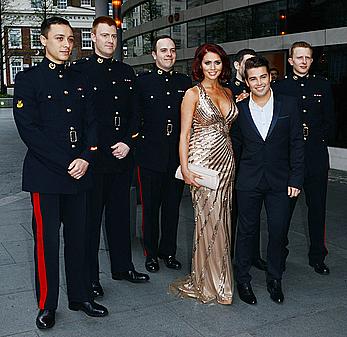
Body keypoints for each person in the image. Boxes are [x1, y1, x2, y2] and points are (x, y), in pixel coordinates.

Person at [12, 17, 108, 330]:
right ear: (43, 40)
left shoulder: (80, 78)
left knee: (79, 239)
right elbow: (29, 129)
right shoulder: (29, 80)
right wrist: (66, 162)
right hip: (47, 176)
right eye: (59, 39)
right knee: (47, 242)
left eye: (70, 39)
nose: (66, 45)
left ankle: (80, 297)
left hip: (80, 174)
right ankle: (47, 305)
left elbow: (93, 123)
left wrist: (86, 158)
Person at [72, 16, 149, 298]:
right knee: (90, 223)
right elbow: (81, 119)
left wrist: (129, 142)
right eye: (104, 36)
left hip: (122, 157)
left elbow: (136, 114)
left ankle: (123, 267)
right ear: (93, 38)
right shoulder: (80, 71)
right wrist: (95, 149)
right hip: (95, 161)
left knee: (120, 219)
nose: (110, 41)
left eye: (113, 36)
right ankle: (91, 278)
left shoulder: (128, 72)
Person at [232, 56, 304, 305]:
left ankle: (275, 279)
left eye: (263, 76)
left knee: (277, 232)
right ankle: (242, 279)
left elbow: (297, 144)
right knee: (246, 232)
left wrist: (296, 178)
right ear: (247, 81)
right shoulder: (239, 110)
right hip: (248, 181)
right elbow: (236, 148)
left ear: (270, 76)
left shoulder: (289, 105)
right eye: (253, 78)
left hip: (280, 181)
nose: (259, 82)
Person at [170, 43, 238, 304]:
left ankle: (220, 279)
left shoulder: (229, 91)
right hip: (202, 164)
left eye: (217, 62)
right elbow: (184, 133)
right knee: (208, 222)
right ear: (199, 65)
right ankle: (208, 282)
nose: (213, 67)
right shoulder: (192, 93)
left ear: (223, 65)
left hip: (227, 162)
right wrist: (185, 168)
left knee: (224, 220)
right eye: (208, 63)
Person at [273, 41, 335, 275]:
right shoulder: (279, 88)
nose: (303, 62)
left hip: (316, 157)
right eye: (299, 57)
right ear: (290, 61)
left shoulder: (323, 85)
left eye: (307, 58)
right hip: (290, 160)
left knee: (317, 209)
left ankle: (318, 256)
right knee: (283, 210)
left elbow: (330, 120)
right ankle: (279, 253)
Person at [135, 36, 192, 273]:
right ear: (154, 55)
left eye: (172, 50)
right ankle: (150, 254)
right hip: (149, 156)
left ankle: (168, 251)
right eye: (163, 50)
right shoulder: (142, 82)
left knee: (172, 207)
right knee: (150, 208)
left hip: (175, 156)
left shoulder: (184, 82)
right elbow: (135, 118)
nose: (169, 54)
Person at [228, 48, 267, 272]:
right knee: (234, 212)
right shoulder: (228, 90)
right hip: (234, 158)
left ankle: (254, 255)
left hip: (255, 162)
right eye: (247, 63)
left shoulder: (260, 89)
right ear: (237, 66)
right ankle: (233, 255)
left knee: (254, 212)